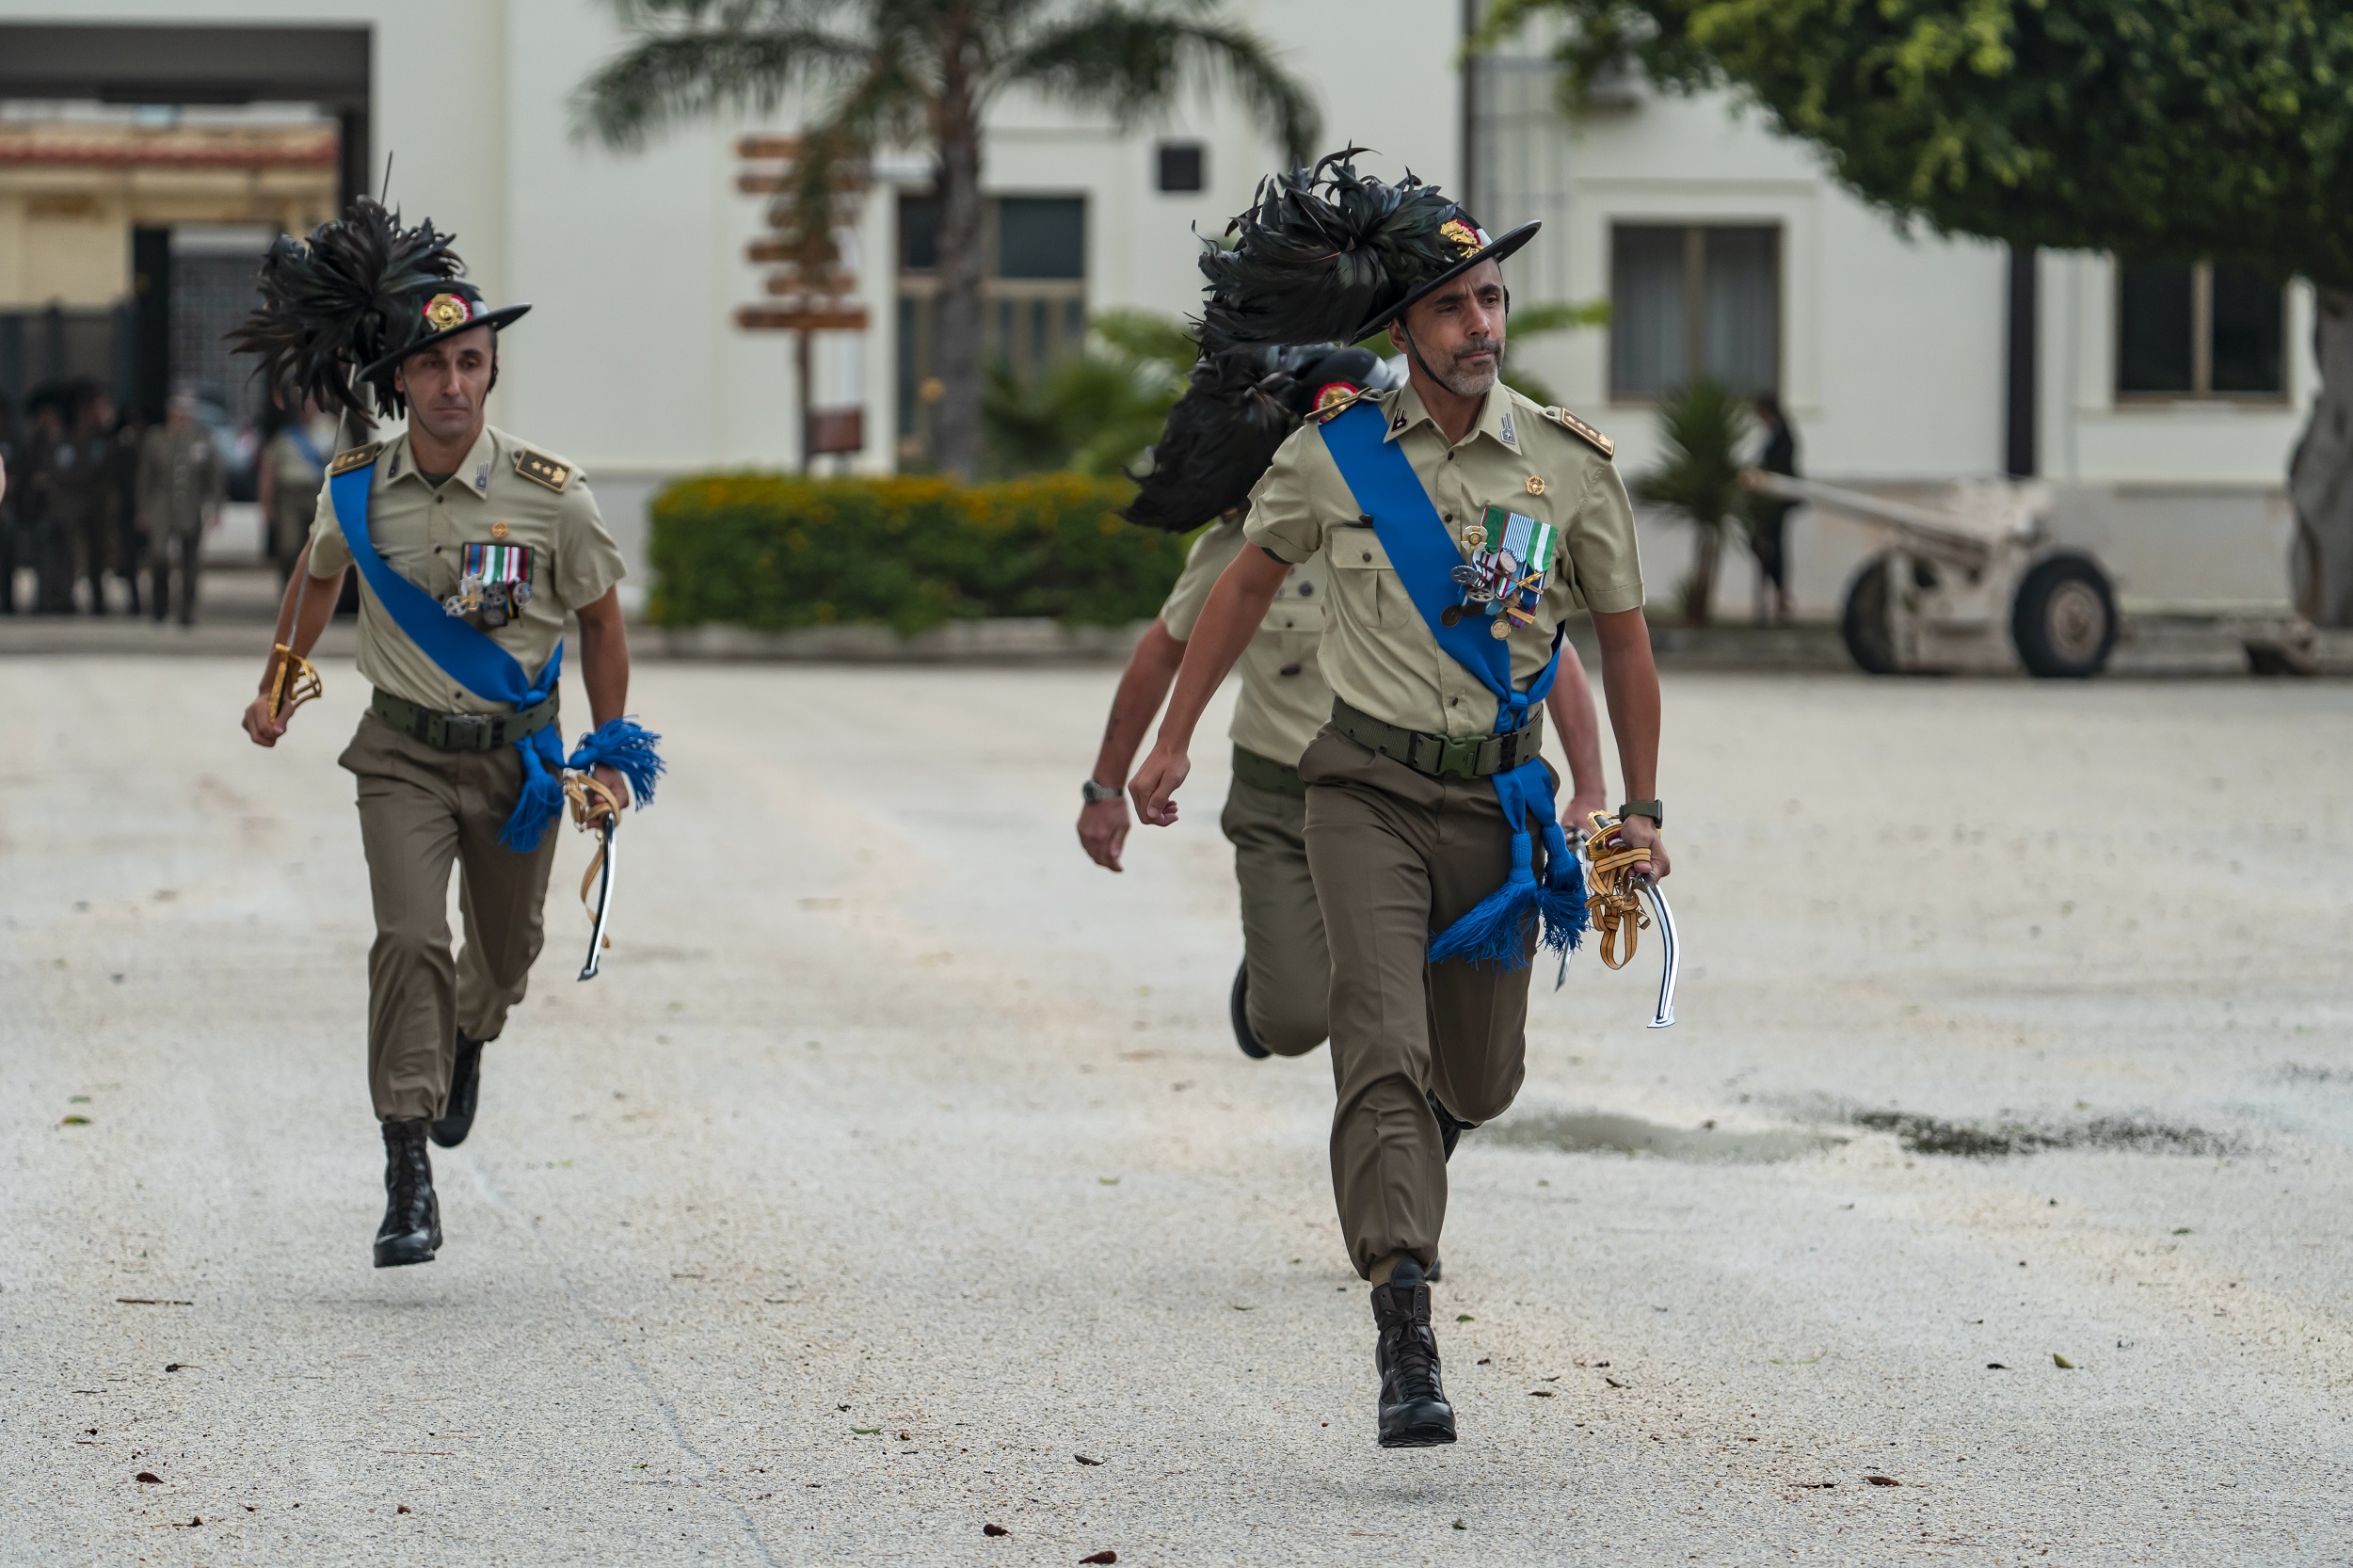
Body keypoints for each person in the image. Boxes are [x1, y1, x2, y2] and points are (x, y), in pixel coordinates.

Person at [1129, 152, 1672, 1449]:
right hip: (1358, 790)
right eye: (1452, 308)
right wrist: (1171, 741)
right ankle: (1405, 1318)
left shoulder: (1569, 464)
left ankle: (1414, 1158)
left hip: (1501, 808)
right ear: (1406, 334)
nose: (1480, 326)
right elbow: (1245, 590)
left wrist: (1637, 804)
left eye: (1490, 301)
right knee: (1379, 1039)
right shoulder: (1337, 459)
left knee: (1475, 1078)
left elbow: (1625, 641)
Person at [236, 198, 659, 1270]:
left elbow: (603, 620)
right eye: (433, 368)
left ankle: (471, 1033)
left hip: (520, 763)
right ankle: (407, 1166)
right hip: (402, 758)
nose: (453, 384)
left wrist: (609, 754)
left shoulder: (550, 497)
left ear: (491, 373)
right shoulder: (359, 492)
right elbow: (315, 575)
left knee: (505, 954)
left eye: (471, 363)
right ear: (402, 381)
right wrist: (278, 684)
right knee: (411, 939)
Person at [1082, 344, 1608, 1063]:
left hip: (1412, 796)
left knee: (1419, 1019)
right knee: (1295, 1021)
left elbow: (1541, 652)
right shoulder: (1246, 541)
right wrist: (1106, 785)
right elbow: (1161, 652)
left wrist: (1594, 788)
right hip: (1283, 802)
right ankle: (1271, 981)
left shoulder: (1454, 532)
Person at [137, 392, 225, 625]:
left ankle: (187, 609)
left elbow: (214, 477)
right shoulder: (156, 438)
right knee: (158, 555)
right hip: (161, 505)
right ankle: (160, 604)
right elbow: (144, 478)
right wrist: (143, 509)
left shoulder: (202, 439)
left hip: (190, 504)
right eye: (177, 414)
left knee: (190, 560)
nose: (181, 419)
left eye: (185, 414)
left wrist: (216, 507)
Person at [258, 396, 335, 584]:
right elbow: (268, 469)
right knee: (288, 547)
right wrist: (266, 503)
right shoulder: (286, 436)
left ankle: (314, 595)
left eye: (310, 401)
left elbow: (346, 465)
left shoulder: (333, 430)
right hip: (289, 496)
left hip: (321, 494)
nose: (306, 407)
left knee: (321, 548)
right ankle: (290, 589)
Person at [1749, 392, 1800, 625]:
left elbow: (1781, 466)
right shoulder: (1775, 433)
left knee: (1774, 548)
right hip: (1768, 502)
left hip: (1777, 502)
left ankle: (1780, 597)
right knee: (1763, 546)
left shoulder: (1783, 434)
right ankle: (1779, 596)